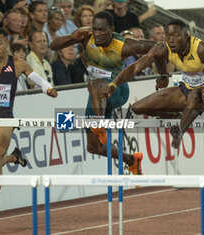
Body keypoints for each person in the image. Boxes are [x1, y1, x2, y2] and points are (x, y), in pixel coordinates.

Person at [0, 28, 57, 229]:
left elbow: (39, 80)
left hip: (5, 119)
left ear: (6, 43)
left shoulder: (18, 64)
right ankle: (14, 157)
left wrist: (47, 89)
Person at [50, 11, 164, 175]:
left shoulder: (125, 45)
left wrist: (164, 75)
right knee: (94, 147)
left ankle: (99, 124)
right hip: (97, 97)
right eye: (94, 29)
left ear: (111, 29)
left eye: (102, 30)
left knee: (94, 83)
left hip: (118, 91)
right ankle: (131, 159)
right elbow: (53, 46)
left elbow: (159, 48)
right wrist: (72, 37)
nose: (97, 33)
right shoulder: (85, 36)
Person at [101, 19, 204, 149]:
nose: (171, 40)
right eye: (168, 35)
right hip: (186, 91)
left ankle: (179, 131)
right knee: (138, 108)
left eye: (175, 35)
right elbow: (135, 67)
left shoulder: (202, 49)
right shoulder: (163, 48)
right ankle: (175, 117)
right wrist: (114, 84)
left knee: (195, 94)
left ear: (186, 36)